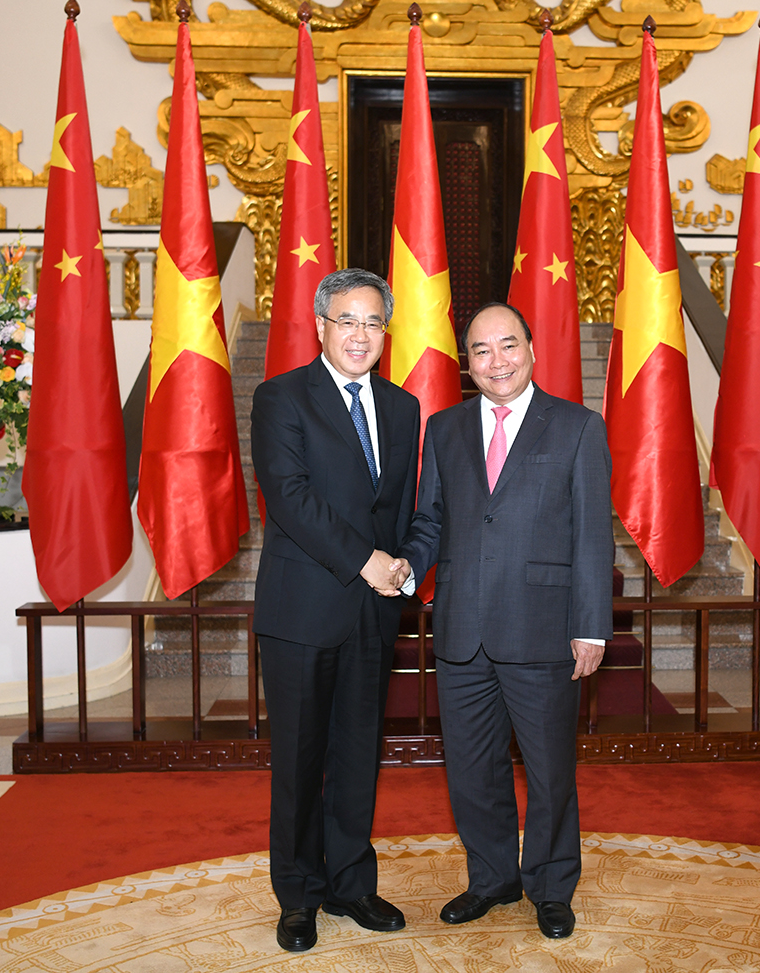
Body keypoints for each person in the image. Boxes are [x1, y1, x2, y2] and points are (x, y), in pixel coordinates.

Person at [394, 301, 614, 939]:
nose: (497, 361)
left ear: (532, 350)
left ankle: (551, 885)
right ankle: (491, 878)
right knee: (471, 770)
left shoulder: (576, 427)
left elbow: (591, 534)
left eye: (508, 345)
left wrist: (591, 625)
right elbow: (431, 520)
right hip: (461, 630)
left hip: (543, 629)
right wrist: (406, 567)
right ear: (467, 363)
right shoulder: (444, 428)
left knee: (549, 771)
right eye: (482, 350)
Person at [250, 268, 420, 953]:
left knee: (357, 754)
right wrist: (366, 560)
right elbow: (290, 497)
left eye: (372, 322)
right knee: (299, 759)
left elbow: (399, 507)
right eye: (346, 320)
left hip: (374, 613)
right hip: (302, 609)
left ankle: (351, 883)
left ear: (385, 332)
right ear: (320, 325)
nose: (359, 334)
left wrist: (402, 565)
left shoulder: (404, 407)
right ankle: (298, 896)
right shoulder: (281, 397)